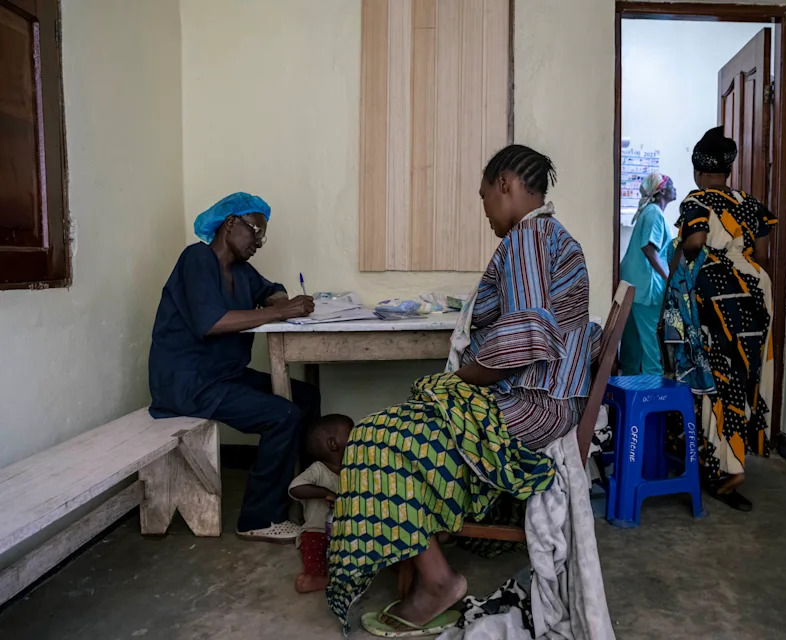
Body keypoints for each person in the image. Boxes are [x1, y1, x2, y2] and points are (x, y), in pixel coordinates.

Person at [327, 144, 600, 635]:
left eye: (483, 198)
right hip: (550, 402)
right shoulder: (551, 236)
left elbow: (526, 335)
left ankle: (438, 583)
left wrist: (462, 378)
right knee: (413, 412)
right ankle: (430, 544)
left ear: (505, 186)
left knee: (373, 438)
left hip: (531, 408)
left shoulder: (527, 239)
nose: (484, 211)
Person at [148, 192, 320, 542]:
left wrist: (279, 300)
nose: (258, 241)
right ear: (230, 223)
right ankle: (259, 518)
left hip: (225, 375)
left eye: (262, 236)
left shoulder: (240, 270)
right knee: (282, 415)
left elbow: (272, 289)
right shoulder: (196, 259)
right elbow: (211, 322)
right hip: (189, 382)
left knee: (305, 395)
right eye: (255, 230)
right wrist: (279, 312)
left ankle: (299, 488)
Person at [674, 127, 777, 512]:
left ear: (699, 171)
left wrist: (682, 251)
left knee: (717, 380)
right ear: (729, 171)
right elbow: (762, 254)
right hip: (757, 294)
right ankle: (732, 459)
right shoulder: (750, 202)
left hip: (718, 298)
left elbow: (696, 242)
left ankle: (727, 469)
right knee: (747, 374)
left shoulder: (697, 200)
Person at [288, 413, 354, 593]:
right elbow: (295, 488)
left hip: (347, 529)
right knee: (313, 545)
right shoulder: (318, 470)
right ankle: (315, 576)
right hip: (318, 528)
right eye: (352, 434)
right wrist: (325, 493)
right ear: (333, 444)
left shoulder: (354, 469)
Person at [619, 172, 676, 375]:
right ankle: (652, 399)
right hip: (645, 289)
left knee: (632, 350)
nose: (674, 188)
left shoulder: (649, 212)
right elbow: (649, 249)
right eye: (671, 184)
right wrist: (668, 279)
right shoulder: (654, 213)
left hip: (632, 287)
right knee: (652, 348)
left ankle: (629, 399)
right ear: (661, 191)